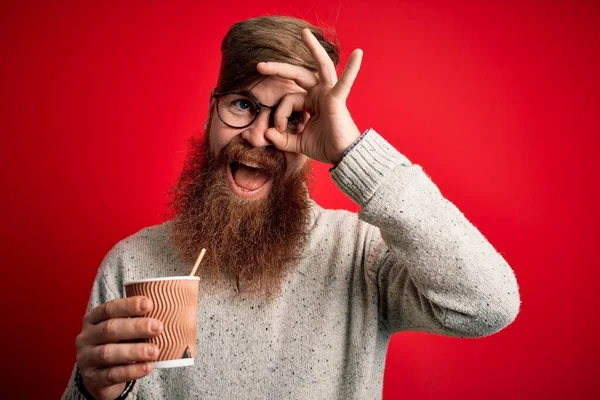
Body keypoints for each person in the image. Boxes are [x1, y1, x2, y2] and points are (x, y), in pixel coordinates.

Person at [63, 15, 520, 400]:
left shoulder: (360, 255)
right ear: (211, 110)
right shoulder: (130, 263)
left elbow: (488, 304)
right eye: (242, 104)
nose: (260, 135)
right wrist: (94, 389)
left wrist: (353, 152)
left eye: (291, 117)